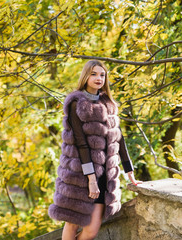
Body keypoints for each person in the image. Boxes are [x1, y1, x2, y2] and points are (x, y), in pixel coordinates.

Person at [48, 60, 142, 240]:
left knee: (92, 229)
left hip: (104, 175)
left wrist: (129, 171)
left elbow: (119, 139)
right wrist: (91, 178)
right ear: (85, 76)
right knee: (73, 222)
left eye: (102, 74)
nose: (98, 78)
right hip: (80, 175)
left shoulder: (109, 103)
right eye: (93, 74)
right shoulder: (77, 103)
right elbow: (81, 144)